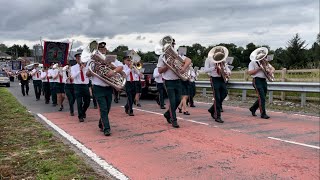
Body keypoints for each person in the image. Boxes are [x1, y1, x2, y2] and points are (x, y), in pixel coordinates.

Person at [86, 42, 124, 136]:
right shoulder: (92, 60)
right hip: (98, 87)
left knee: (107, 108)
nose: (103, 50)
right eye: (100, 49)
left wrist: (113, 71)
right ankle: (107, 128)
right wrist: (95, 69)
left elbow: (121, 67)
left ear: (106, 50)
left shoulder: (111, 59)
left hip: (108, 87)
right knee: (103, 108)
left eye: (104, 49)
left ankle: (101, 123)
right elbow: (87, 74)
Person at [157, 37, 191, 128]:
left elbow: (188, 60)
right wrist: (168, 65)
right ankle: (174, 120)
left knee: (178, 100)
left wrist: (184, 68)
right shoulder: (162, 56)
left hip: (178, 81)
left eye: (172, 44)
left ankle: (168, 114)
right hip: (168, 82)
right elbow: (159, 71)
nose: (171, 46)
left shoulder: (177, 54)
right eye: (169, 44)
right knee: (172, 101)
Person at [248, 50, 275, 119]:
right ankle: (263, 114)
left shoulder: (265, 62)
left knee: (262, 97)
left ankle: (253, 108)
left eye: (263, 56)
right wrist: (259, 68)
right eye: (261, 56)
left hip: (264, 80)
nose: (263, 58)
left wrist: (270, 71)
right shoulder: (253, 62)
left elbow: (273, 68)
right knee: (262, 97)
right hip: (256, 80)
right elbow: (250, 72)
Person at [204, 54, 231, 123]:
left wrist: (228, 72)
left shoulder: (223, 60)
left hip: (222, 78)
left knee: (225, 93)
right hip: (214, 79)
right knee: (217, 97)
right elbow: (206, 70)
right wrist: (214, 67)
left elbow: (227, 68)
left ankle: (212, 109)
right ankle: (217, 116)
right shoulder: (209, 59)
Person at [71, 52, 91, 122]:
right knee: (79, 102)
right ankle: (80, 116)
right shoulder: (73, 67)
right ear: (76, 59)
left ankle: (83, 111)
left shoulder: (87, 66)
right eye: (78, 58)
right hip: (77, 86)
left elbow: (89, 75)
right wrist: (80, 70)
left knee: (87, 101)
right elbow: (73, 77)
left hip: (85, 85)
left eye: (80, 57)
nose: (79, 59)